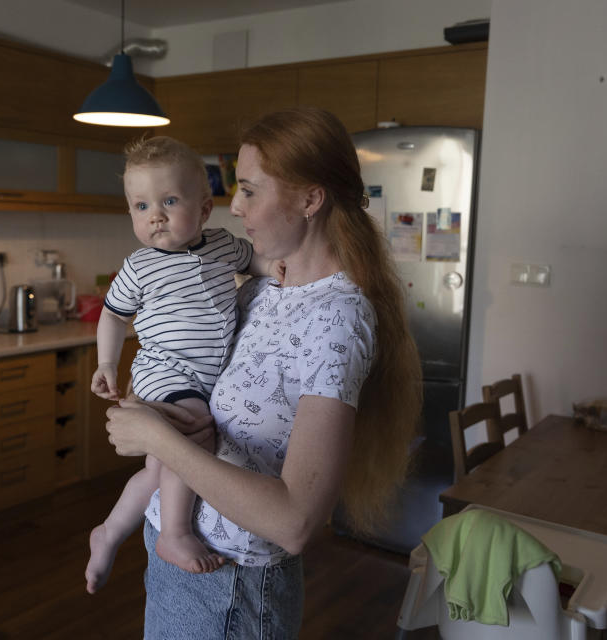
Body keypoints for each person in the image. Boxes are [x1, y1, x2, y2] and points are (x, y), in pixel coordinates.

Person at [102, 107, 423, 639]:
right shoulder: (262, 288)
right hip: (180, 558)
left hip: (232, 586)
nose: (234, 205)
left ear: (310, 199)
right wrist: (154, 405)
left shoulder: (336, 320)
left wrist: (161, 438)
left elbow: (294, 522)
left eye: (250, 190)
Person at [86, 136, 274, 595]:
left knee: (157, 469)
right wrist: (107, 362)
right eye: (141, 205)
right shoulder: (139, 267)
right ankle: (174, 533)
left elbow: (257, 261)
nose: (156, 215)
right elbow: (112, 314)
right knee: (196, 430)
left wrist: (281, 267)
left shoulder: (224, 247)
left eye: (170, 200)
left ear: (206, 209)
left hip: (203, 377)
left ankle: (108, 532)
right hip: (165, 373)